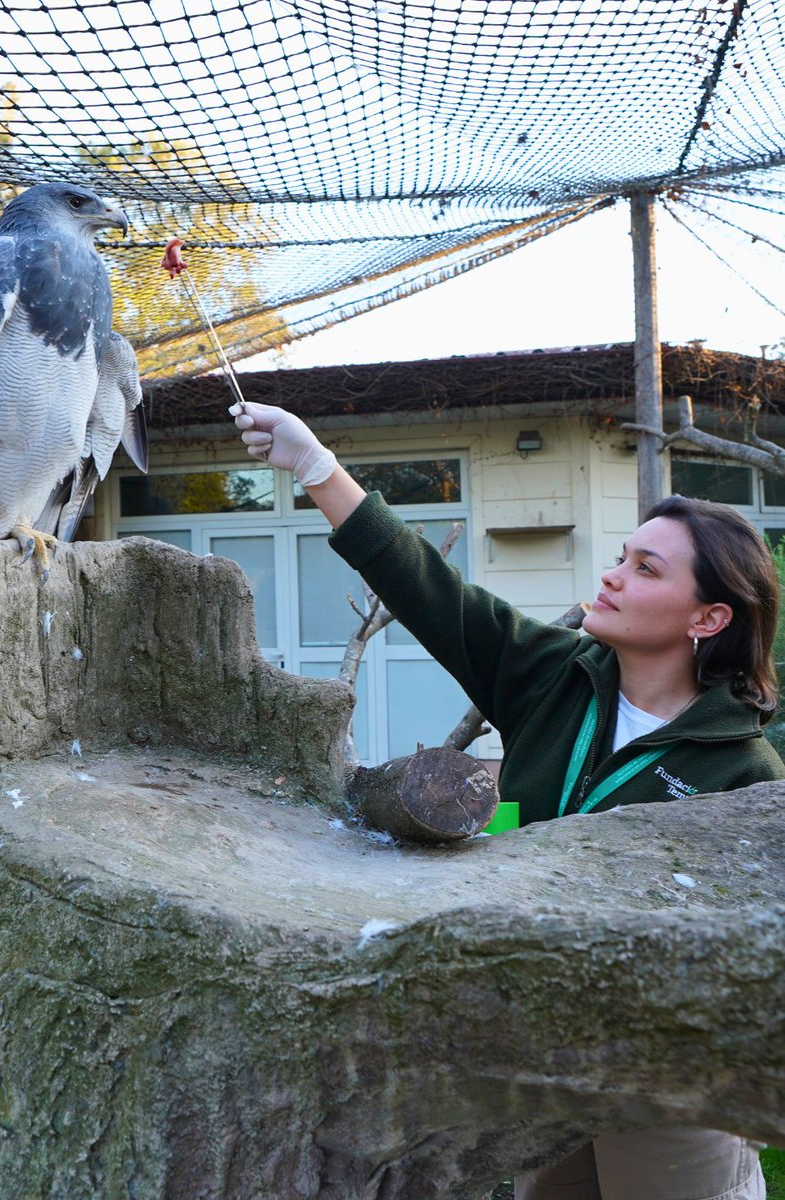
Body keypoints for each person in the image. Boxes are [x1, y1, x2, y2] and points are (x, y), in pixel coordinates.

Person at [232, 399, 782, 1200]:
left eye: (645, 569)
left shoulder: (748, 775)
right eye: (622, 556)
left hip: (667, 1080)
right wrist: (316, 465)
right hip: (539, 1044)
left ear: (710, 616)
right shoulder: (552, 674)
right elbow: (430, 590)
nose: (612, 575)